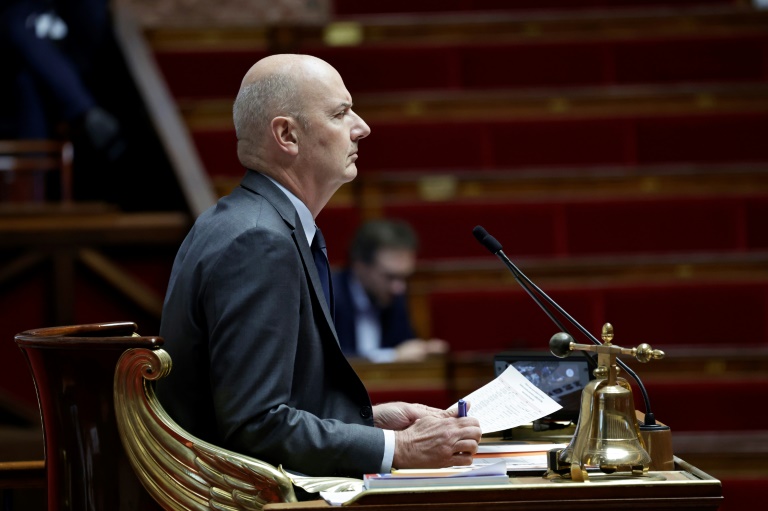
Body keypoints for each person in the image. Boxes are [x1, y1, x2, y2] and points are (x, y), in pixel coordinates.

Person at [156, 54, 481, 479]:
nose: (362, 126)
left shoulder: (253, 221)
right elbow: (254, 425)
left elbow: (271, 406)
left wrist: (369, 423)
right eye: (340, 112)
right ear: (287, 135)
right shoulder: (259, 241)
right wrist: (396, 448)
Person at [333, 219, 448, 362]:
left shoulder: (396, 299)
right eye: (390, 277)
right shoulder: (325, 296)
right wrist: (392, 357)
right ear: (360, 266)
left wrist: (424, 351)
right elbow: (324, 362)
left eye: (404, 277)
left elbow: (405, 346)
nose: (399, 288)